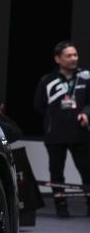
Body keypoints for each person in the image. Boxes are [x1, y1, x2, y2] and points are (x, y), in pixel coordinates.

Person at [33, 40, 90, 217]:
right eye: (69, 55)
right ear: (58, 59)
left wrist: (86, 113)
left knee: (87, 171)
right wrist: (55, 117)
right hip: (55, 134)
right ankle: (61, 206)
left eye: (75, 55)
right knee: (56, 173)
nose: (74, 58)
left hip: (80, 133)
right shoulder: (47, 80)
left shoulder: (86, 77)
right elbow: (38, 106)